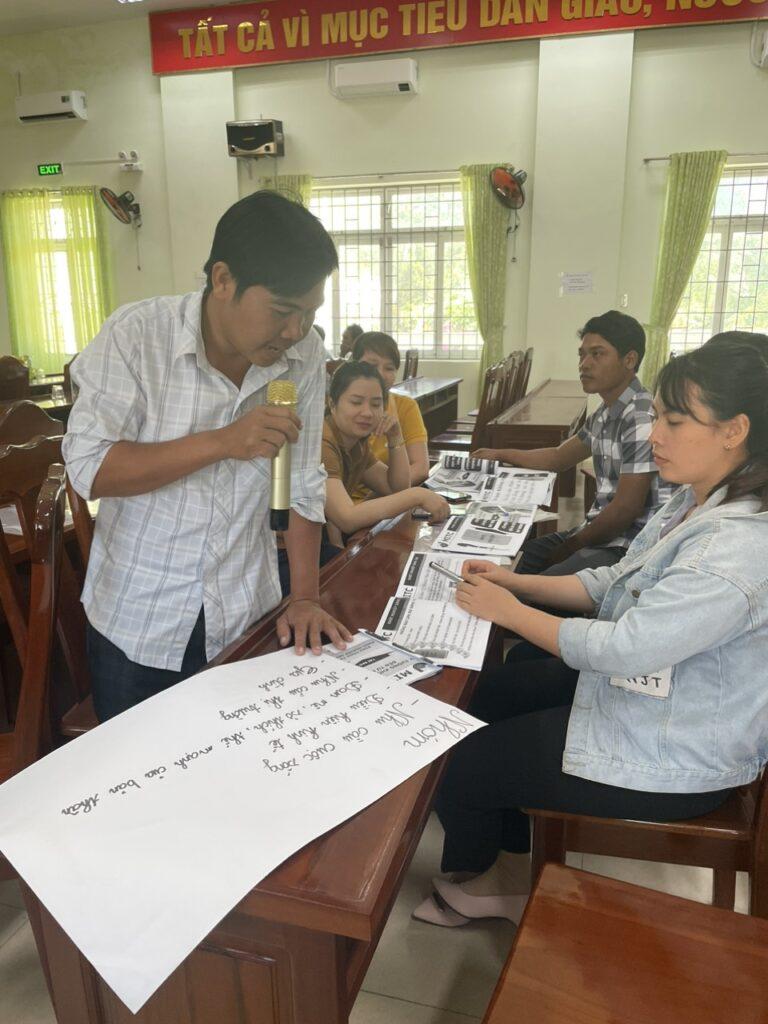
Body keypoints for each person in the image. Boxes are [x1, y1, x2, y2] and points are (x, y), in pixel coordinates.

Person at [413, 338, 768, 928]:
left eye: (674, 421)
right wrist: (514, 582)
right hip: (649, 702)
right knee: (481, 698)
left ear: (735, 430)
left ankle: (486, 880)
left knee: (459, 760)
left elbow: (624, 650)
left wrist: (509, 610)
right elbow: (613, 581)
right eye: (657, 416)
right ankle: (510, 858)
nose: (654, 434)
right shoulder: (696, 500)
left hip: (671, 750)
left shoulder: (734, 549)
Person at [63, 190, 352, 723]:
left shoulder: (303, 353)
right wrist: (223, 441)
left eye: (309, 312)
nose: (295, 331)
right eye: (282, 311)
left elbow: (303, 482)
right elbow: (90, 467)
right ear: (222, 280)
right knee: (143, 768)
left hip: (246, 608)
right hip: (140, 619)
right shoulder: (137, 335)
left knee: (242, 760)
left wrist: (305, 598)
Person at [474, 311, 672, 576]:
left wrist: (571, 546)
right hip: (601, 534)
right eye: (582, 355)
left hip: (628, 547)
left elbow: (626, 509)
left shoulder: (640, 415)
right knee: (517, 558)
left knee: (536, 586)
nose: (584, 364)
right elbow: (558, 457)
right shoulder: (606, 411)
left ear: (629, 359)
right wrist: (500, 454)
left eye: (597, 354)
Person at [323, 361, 449, 541]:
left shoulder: (355, 443)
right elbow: (347, 518)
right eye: (356, 402)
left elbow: (396, 488)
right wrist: (417, 495)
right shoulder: (323, 442)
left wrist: (395, 436)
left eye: (376, 404)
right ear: (332, 403)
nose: (367, 412)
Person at [350, 330, 429, 496]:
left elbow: (420, 467)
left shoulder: (405, 406)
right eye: (371, 366)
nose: (380, 374)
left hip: (386, 498)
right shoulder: (339, 412)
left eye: (389, 368)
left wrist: (384, 495)